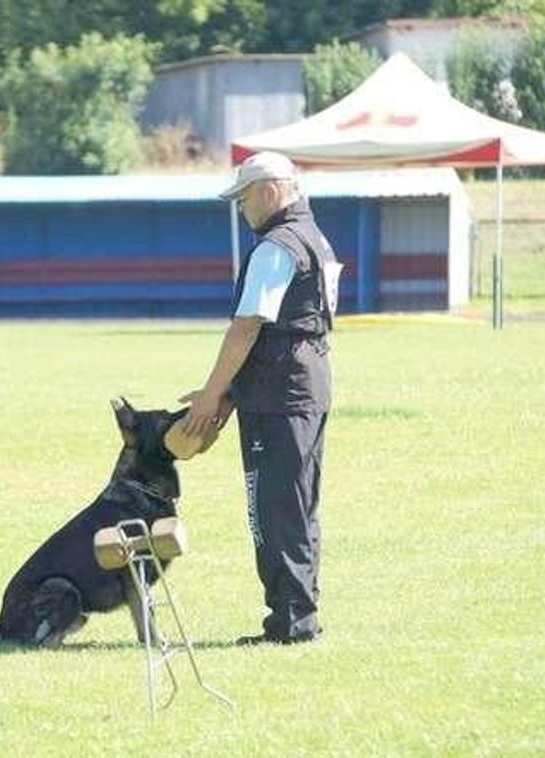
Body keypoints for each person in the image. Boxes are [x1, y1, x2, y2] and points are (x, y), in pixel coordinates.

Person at [179, 151, 341, 646]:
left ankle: (291, 623)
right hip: (301, 385)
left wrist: (211, 395)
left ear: (270, 190)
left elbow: (248, 327)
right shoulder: (313, 237)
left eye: (244, 198)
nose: (242, 209)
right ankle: (298, 616)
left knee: (275, 510)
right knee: (297, 506)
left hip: (279, 395)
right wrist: (230, 391)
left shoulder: (277, 247)